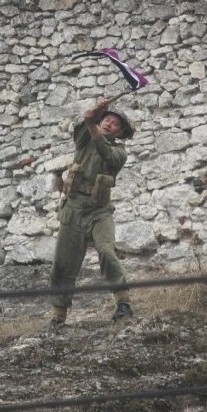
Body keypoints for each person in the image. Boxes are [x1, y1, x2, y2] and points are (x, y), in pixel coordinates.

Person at [48, 97, 135, 328]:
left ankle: (123, 303)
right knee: (63, 262)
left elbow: (105, 151)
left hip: (99, 212)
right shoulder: (85, 137)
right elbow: (85, 128)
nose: (108, 124)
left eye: (115, 124)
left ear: (120, 132)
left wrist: (93, 121)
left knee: (107, 251)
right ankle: (58, 315)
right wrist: (92, 114)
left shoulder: (119, 153)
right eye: (106, 120)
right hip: (73, 208)